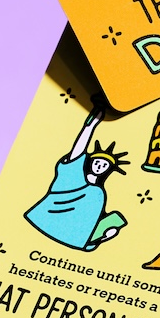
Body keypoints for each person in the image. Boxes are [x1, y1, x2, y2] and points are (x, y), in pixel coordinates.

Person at [24, 103, 128, 251]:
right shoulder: (73, 172)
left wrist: (104, 234)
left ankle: (97, 238)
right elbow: (79, 149)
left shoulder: (98, 193)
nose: (99, 166)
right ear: (90, 162)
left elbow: (89, 220)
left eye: (104, 165)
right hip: (47, 221)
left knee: (112, 224)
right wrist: (90, 127)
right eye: (97, 162)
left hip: (74, 237)